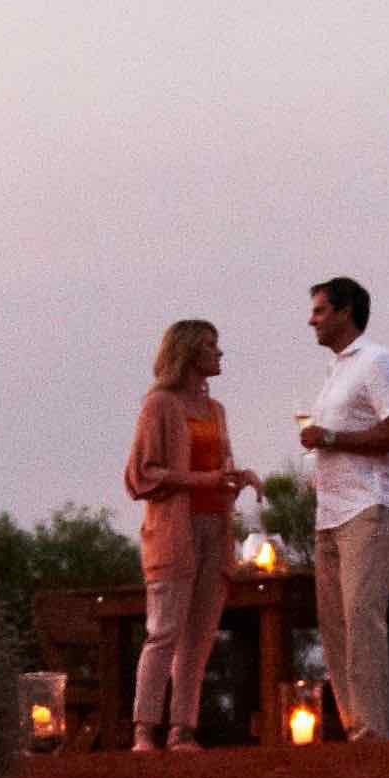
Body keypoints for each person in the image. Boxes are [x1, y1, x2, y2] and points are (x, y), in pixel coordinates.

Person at [122, 316, 258, 750]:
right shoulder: (159, 405)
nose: (219, 354)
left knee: (199, 636)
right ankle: (145, 728)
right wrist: (205, 481)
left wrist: (237, 478)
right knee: (164, 630)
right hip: (173, 532)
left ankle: (184, 727)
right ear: (188, 353)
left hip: (214, 529)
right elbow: (142, 474)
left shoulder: (217, 411)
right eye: (210, 346)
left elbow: (217, 471)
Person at [293, 276, 389, 738]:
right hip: (330, 512)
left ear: (346, 312)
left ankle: (372, 737)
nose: (312, 320)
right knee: (335, 627)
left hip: (370, 508)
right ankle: (355, 729)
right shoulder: (336, 372)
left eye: (320, 311)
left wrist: (330, 438)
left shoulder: (377, 362)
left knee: (362, 618)